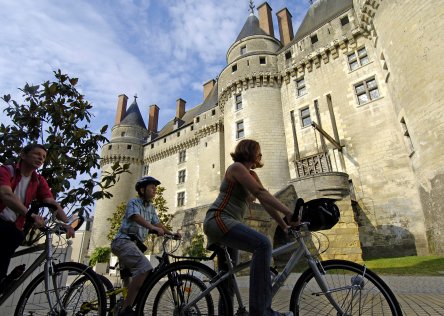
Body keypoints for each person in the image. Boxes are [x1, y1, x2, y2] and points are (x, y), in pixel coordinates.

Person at [203, 139, 297, 316]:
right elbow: (260, 193)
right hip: (219, 219)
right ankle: (261, 311)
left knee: (227, 279)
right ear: (249, 151)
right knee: (263, 244)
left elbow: (264, 200)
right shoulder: (237, 168)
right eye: (258, 151)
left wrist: (284, 224)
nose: (261, 155)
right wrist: (288, 211)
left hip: (228, 222)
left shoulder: (252, 175)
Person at [0, 143, 75, 286]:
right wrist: (30, 215)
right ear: (23, 155)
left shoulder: (38, 180)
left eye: (44, 157)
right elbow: (6, 194)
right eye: (37, 154)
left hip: (13, 226)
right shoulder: (6, 171)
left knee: (16, 235)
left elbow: (50, 201)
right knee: (13, 235)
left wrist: (67, 223)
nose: (41, 159)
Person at [111, 176, 180, 316]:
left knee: (131, 282)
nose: (155, 190)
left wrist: (171, 233)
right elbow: (136, 217)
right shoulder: (133, 202)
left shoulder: (151, 207)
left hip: (134, 246)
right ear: (142, 190)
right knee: (145, 267)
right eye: (152, 187)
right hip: (123, 242)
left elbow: (158, 224)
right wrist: (152, 228)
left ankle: (122, 306)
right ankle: (126, 310)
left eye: (156, 187)